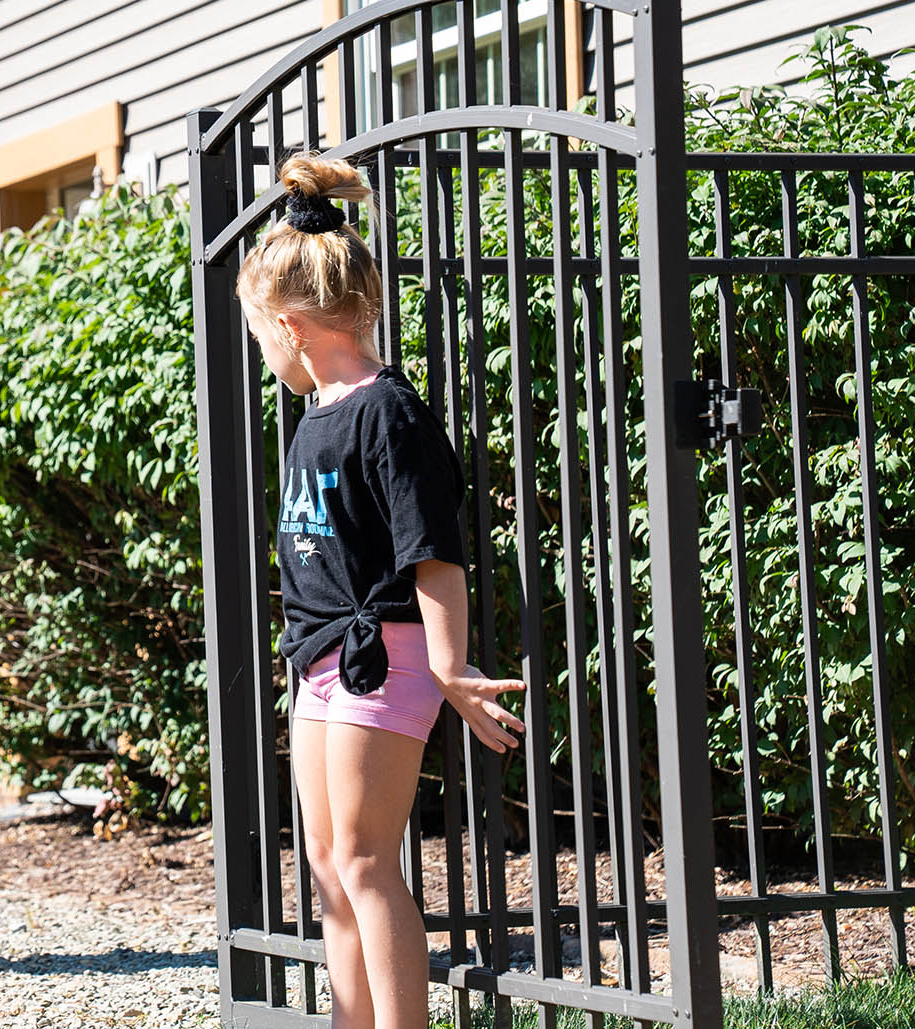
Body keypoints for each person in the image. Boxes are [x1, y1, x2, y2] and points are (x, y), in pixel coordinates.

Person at [237, 154, 526, 1029]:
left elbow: (433, 552)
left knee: (367, 860)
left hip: (384, 659)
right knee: (328, 860)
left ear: (288, 325)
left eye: (259, 337)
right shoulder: (317, 413)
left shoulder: (388, 412)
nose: (264, 353)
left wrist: (449, 665)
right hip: (319, 663)